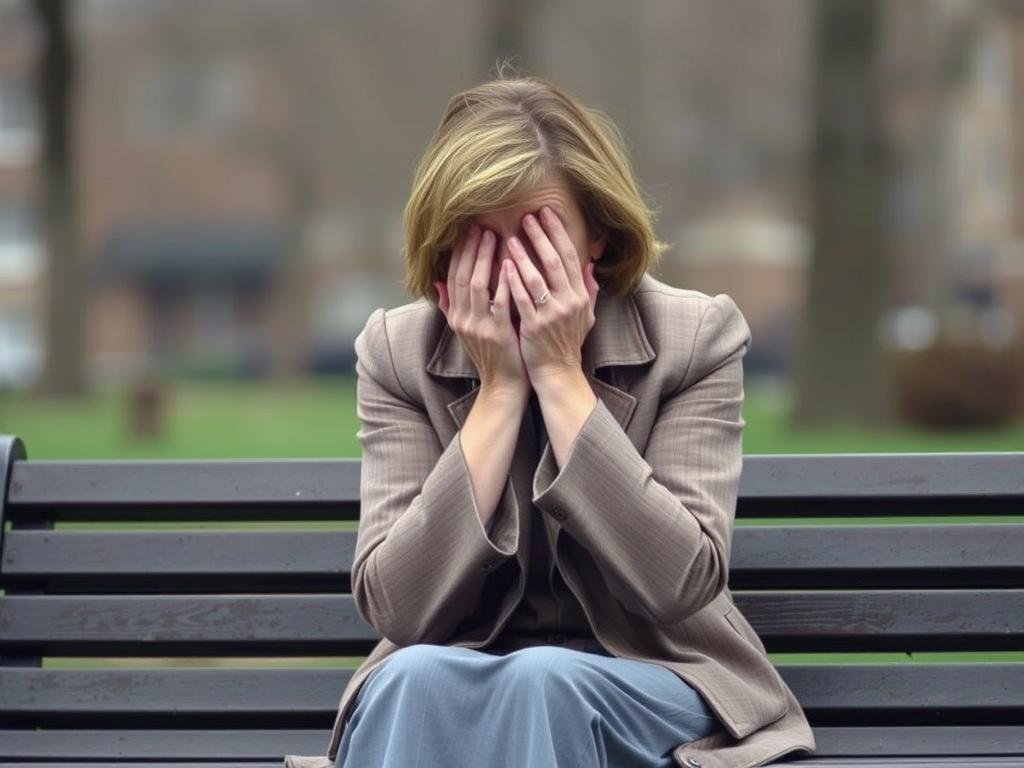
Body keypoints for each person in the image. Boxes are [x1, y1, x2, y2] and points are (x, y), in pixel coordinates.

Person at [284, 73, 815, 768]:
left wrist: (562, 378)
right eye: (483, 239)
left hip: (660, 674)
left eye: (538, 235)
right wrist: (499, 392)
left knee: (542, 681)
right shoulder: (397, 352)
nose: (513, 271)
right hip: (462, 668)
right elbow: (398, 609)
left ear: (596, 232)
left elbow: (680, 581)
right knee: (407, 678)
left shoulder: (695, 338)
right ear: (447, 245)